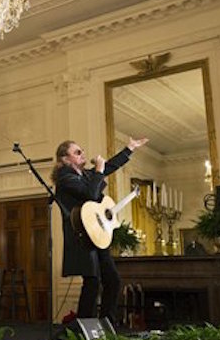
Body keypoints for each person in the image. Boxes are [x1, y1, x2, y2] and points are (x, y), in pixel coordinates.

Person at [51, 137, 148, 325]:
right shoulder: (65, 178)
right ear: (64, 159)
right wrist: (98, 171)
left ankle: (106, 325)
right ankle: (84, 328)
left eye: (82, 150)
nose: (83, 154)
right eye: (77, 152)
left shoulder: (83, 175)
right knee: (92, 282)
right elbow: (91, 195)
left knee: (112, 280)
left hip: (96, 234)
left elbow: (108, 167)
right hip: (82, 237)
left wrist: (129, 149)